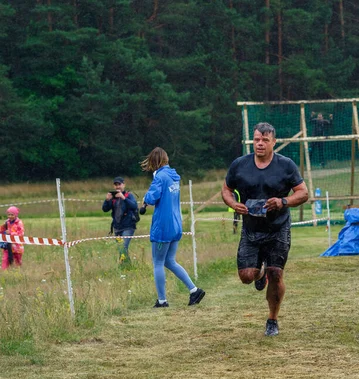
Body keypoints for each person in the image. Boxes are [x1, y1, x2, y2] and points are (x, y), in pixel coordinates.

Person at [222, 122, 308, 336]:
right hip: (251, 229)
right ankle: (260, 274)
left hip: (278, 228)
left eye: (264, 140)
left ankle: (272, 320)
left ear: (273, 142)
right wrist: (233, 204)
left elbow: (303, 193)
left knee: (276, 273)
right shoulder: (239, 165)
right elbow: (226, 189)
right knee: (246, 276)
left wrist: (283, 202)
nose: (259, 144)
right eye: (256, 140)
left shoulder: (286, 165)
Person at [141, 147, 206, 308]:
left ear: (154, 162)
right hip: (176, 224)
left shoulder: (160, 177)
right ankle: (194, 290)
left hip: (163, 226)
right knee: (169, 261)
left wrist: (145, 197)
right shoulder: (173, 177)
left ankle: (162, 300)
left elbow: (152, 197)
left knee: (157, 262)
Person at [102, 177, 138, 264]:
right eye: (116, 185)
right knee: (121, 249)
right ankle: (128, 266)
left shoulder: (129, 195)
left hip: (128, 226)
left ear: (123, 185)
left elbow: (134, 206)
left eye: (119, 184)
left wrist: (123, 198)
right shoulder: (113, 197)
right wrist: (107, 200)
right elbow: (105, 209)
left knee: (123, 246)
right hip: (117, 227)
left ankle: (124, 266)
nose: (118, 187)